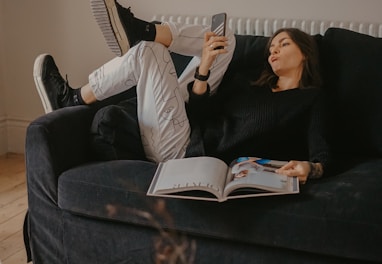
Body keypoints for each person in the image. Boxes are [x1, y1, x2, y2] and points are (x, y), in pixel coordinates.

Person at [33, 0, 330, 184]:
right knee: (225, 41)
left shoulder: (309, 99)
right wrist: (205, 67)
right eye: (272, 46)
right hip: (185, 122)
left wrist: (311, 168)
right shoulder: (251, 81)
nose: (273, 50)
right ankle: (142, 30)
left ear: (305, 52)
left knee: (149, 54)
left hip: (183, 150)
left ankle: (72, 98)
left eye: (284, 44)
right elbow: (203, 111)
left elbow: (324, 153)